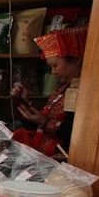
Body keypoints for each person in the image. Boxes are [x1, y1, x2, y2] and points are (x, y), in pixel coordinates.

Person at [11, 26, 87, 156]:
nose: (53, 72)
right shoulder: (63, 88)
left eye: (55, 65)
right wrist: (26, 102)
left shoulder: (87, 92)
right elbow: (45, 120)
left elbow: (79, 134)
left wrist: (44, 122)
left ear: (76, 60)